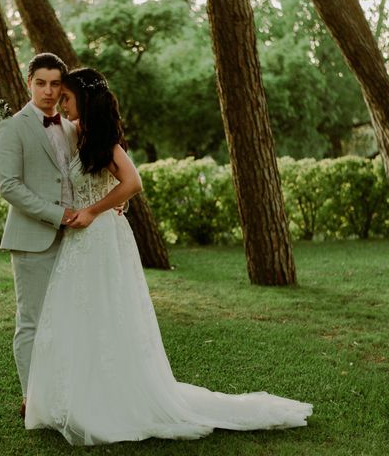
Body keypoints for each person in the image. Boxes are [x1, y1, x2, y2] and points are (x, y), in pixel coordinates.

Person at [24, 68, 313, 445]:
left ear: (85, 99)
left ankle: (110, 401)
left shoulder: (105, 143)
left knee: (107, 311)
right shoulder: (76, 134)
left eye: (67, 97)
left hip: (102, 238)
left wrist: (96, 209)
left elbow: (132, 182)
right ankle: (73, 396)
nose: (61, 103)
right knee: (79, 315)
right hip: (80, 242)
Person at [0, 53, 78, 420]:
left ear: (63, 87)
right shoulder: (13, 128)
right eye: (41, 83)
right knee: (32, 321)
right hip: (32, 239)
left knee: (66, 318)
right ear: (29, 83)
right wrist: (58, 215)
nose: (48, 91)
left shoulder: (72, 128)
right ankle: (32, 397)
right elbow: (9, 186)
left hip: (76, 241)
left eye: (55, 84)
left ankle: (63, 390)